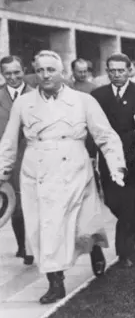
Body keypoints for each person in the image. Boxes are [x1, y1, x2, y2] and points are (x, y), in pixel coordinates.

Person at [0, 50, 126, 304]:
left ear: (62, 73)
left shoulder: (83, 100)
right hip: (37, 170)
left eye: (51, 70)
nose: (45, 75)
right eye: (40, 70)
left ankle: (94, 248)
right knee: (44, 228)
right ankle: (55, 281)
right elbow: (10, 140)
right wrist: (2, 171)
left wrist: (116, 165)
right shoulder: (24, 103)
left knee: (81, 223)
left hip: (74, 167)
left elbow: (105, 135)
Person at [91, 53, 135, 267]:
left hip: (134, 157)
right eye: (112, 70)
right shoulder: (98, 95)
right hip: (108, 158)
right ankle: (132, 236)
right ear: (107, 72)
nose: (116, 74)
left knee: (133, 202)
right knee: (113, 201)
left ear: (129, 70)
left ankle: (124, 251)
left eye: (120, 70)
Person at [0, 55, 34, 265]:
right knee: (15, 205)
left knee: (34, 204)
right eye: (7, 73)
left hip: (33, 156)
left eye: (16, 72)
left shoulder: (37, 95)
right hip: (8, 159)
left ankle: (33, 246)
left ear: (24, 70)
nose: (12, 77)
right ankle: (23, 245)